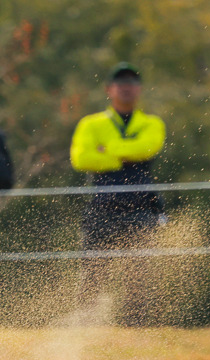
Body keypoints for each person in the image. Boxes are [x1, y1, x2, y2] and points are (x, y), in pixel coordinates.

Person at [69, 62, 167, 308]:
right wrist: (125, 155)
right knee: (92, 276)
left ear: (140, 89)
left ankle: (135, 333)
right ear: (109, 89)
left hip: (141, 209)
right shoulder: (90, 124)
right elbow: (81, 158)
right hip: (102, 209)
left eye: (132, 83)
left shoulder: (152, 123)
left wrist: (107, 150)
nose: (127, 88)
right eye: (121, 83)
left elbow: (147, 148)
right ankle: (85, 328)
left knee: (139, 280)